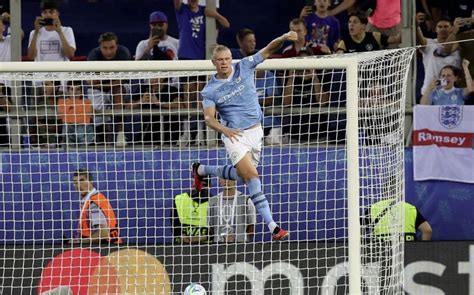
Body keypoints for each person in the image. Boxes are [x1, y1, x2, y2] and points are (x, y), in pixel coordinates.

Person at [192, 31, 299, 241]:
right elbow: (209, 119)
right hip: (234, 136)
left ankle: (202, 170)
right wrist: (226, 130)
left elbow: (269, 49)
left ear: (231, 59)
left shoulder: (245, 66)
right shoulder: (210, 90)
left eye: (226, 59)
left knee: (243, 175)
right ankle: (273, 227)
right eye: (219, 60)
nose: (223, 63)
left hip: (256, 132)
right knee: (252, 177)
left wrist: (285, 36)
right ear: (213, 62)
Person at [70, 169, 122, 244]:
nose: (78, 185)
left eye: (81, 180)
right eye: (75, 182)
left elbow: (103, 234)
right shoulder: (93, 199)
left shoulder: (93, 203)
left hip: (106, 250)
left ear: (91, 182)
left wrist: (79, 242)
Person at [416, 14, 462, 96]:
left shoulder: (458, 45)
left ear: (452, 28)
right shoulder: (429, 43)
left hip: (453, 93)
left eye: (446, 26)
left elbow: (446, 50)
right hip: (430, 93)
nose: (443, 29)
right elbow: (419, 38)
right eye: (440, 27)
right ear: (435, 29)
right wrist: (416, 25)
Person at [207, 178, 256, 243]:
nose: (226, 181)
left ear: (235, 179)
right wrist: (222, 238)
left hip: (241, 246)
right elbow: (211, 229)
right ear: (219, 180)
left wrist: (239, 238)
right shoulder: (213, 201)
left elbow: (251, 228)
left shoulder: (246, 200)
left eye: (229, 178)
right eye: (223, 178)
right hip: (217, 247)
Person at [365, 200, 432, 241]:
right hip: (409, 250)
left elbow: (358, 231)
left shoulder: (373, 208)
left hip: (380, 253)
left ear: (384, 190)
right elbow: (427, 230)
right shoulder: (410, 208)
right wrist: (423, 249)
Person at [336, 11, 401, 53]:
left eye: (355, 22)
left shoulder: (374, 36)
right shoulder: (344, 42)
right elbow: (338, 56)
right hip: (354, 73)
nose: (351, 24)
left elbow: (396, 39)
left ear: (363, 26)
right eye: (349, 22)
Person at [172, 177, 210, 244]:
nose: (199, 187)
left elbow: (216, 228)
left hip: (206, 247)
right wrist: (183, 237)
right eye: (196, 183)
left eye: (203, 185)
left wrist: (200, 238)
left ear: (209, 186)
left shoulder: (214, 201)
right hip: (182, 246)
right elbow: (175, 226)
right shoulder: (179, 199)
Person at [57, 81, 94, 145]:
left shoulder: (86, 102)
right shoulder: (63, 103)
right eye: (72, 89)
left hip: (85, 136)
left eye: (78, 89)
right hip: (69, 135)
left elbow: (90, 116)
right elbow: (59, 117)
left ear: (82, 92)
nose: (74, 92)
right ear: (68, 92)